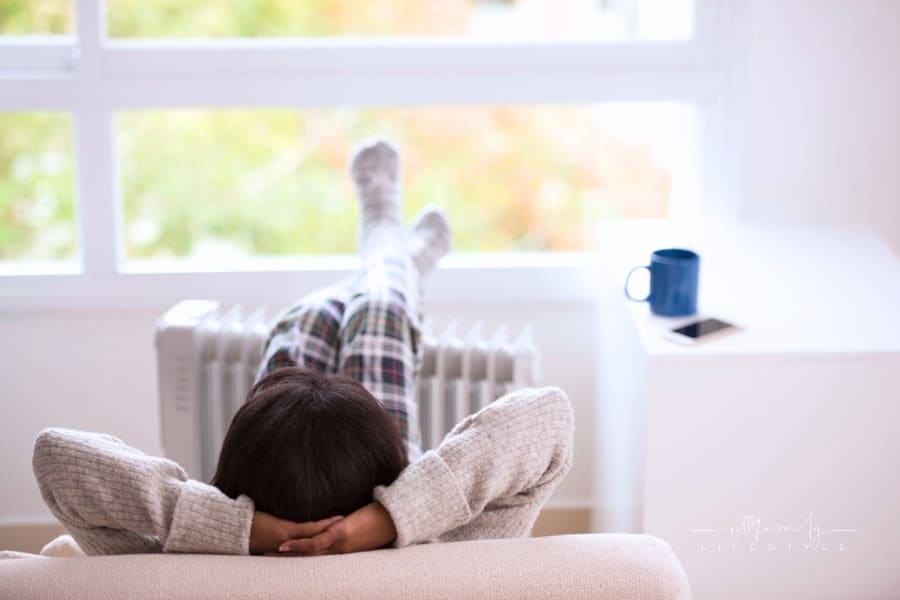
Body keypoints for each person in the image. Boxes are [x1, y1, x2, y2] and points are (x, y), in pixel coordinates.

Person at [32, 139, 574, 557]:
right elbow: (549, 416)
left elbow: (57, 457)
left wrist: (240, 532)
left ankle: (393, 253)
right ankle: (389, 246)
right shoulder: (442, 557)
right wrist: (388, 520)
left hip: (276, 494)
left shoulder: (182, 569)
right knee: (378, 312)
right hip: (384, 514)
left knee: (304, 325)